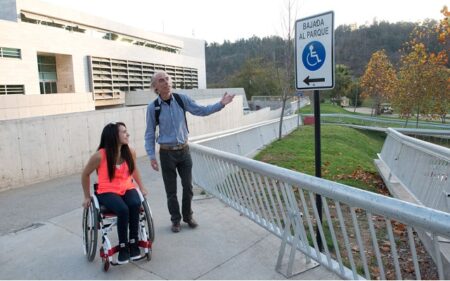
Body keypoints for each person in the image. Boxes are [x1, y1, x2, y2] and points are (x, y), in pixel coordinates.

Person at [144, 71, 234, 233]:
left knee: (188, 186)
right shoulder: (153, 108)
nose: (166, 82)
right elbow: (150, 133)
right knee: (171, 191)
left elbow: (201, 110)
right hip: (166, 153)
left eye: (167, 79)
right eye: (161, 80)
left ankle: (188, 216)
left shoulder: (181, 99)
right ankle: (176, 220)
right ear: (155, 87)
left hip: (184, 151)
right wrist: (151, 156)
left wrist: (221, 104)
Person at [81, 122, 148, 264]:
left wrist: (141, 187)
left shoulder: (129, 151)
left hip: (126, 187)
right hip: (107, 190)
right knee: (123, 209)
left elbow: (134, 170)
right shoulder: (100, 156)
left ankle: (134, 243)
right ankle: (123, 248)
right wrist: (87, 196)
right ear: (114, 136)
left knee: (135, 203)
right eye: (124, 132)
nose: (127, 134)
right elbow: (85, 174)